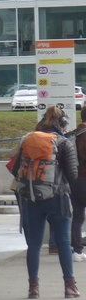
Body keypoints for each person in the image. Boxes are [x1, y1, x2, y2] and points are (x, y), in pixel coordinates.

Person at [12, 106, 79, 299]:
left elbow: (15, 169)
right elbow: (73, 175)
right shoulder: (64, 143)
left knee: (33, 244)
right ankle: (70, 286)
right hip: (58, 198)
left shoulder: (28, 140)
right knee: (64, 242)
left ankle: (33, 288)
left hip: (31, 198)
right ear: (63, 124)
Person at [71, 106, 86, 263]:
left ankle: (77, 251)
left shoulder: (74, 133)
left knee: (77, 216)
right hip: (85, 177)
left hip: (74, 179)